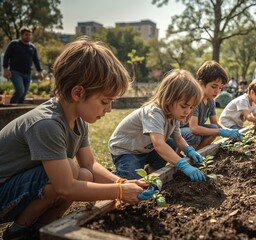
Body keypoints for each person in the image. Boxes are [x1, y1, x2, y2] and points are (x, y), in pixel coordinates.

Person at [0, 38, 154, 240]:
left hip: (18, 190)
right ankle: (18, 232)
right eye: (105, 101)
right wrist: (119, 192)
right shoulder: (47, 124)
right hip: (3, 194)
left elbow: (89, 164)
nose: (109, 109)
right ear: (78, 93)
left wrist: (121, 182)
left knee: (82, 174)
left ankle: (43, 230)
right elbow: (65, 187)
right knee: (70, 173)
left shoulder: (77, 120)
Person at [109, 69, 206, 182]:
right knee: (132, 180)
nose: (187, 111)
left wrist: (189, 150)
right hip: (127, 150)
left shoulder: (173, 115)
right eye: (184, 106)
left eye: (191, 107)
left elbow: (178, 138)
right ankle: (110, 177)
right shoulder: (154, 112)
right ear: (169, 99)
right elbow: (159, 144)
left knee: (171, 145)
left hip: (144, 148)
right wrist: (183, 165)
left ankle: (152, 174)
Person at [180, 60, 241, 151]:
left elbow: (215, 123)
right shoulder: (195, 100)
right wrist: (220, 132)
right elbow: (193, 128)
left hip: (193, 130)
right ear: (200, 83)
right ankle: (186, 158)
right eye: (214, 86)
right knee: (195, 137)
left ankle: (198, 153)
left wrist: (227, 130)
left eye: (220, 87)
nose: (217, 91)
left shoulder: (211, 100)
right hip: (181, 130)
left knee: (214, 129)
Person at [2, 27, 44, 104]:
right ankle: (11, 107)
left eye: (30, 35)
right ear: (21, 35)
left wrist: (40, 71)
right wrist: (5, 69)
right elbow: (6, 56)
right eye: (26, 35)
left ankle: (19, 111)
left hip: (27, 73)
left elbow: (36, 60)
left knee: (23, 94)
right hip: (15, 72)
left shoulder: (32, 47)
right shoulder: (14, 44)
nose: (28, 36)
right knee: (20, 90)